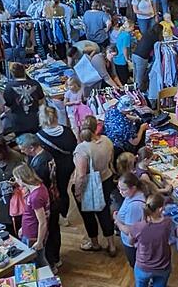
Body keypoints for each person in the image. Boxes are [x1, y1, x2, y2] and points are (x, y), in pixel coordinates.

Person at [116, 194, 173, 287]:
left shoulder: (139, 226)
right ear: (160, 209)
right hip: (163, 266)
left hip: (143, 267)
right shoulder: (167, 223)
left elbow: (130, 242)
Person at [70, 115, 117, 255]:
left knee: (88, 215)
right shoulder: (107, 141)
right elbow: (111, 161)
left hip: (89, 185)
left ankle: (95, 243)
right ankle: (111, 244)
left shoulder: (82, 149)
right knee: (104, 213)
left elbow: (81, 175)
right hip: (106, 179)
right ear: (96, 127)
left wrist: (78, 192)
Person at [36, 105, 77, 259]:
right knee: (63, 189)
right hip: (66, 166)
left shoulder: (39, 136)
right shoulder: (66, 131)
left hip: (50, 168)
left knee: (51, 191)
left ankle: (52, 213)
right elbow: (74, 147)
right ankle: (64, 215)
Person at [113, 172, 147, 287]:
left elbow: (129, 230)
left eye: (124, 189)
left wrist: (117, 220)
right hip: (132, 242)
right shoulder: (132, 196)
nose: (121, 192)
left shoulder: (135, 205)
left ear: (133, 188)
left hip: (131, 243)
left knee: (137, 268)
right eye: (119, 188)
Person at [13, 164, 50, 267]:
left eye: (16, 178)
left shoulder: (35, 197)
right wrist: (23, 228)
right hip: (29, 230)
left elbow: (42, 222)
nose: (16, 181)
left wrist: (39, 241)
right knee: (36, 259)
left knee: (38, 261)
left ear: (21, 178)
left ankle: (49, 279)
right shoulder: (40, 187)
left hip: (33, 234)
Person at [3, 63, 44, 135]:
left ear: (12, 73)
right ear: (25, 71)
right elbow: (41, 101)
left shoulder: (9, 87)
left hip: (18, 121)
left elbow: (7, 107)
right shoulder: (35, 83)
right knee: (36, 142)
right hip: (35, 119)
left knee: (22, 143)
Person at [133, 23, 162, 92]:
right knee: (140, 77)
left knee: (135, 75)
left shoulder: (147, 33)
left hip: (135, 54)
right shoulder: (155, 38)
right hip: (142, 57)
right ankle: (139, 93)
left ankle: (135, 89)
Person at [114, 20, 133, 84]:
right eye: (132, 27)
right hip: (121, 58)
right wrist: (127, 59)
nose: (133, 28)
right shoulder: (127, 35)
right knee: (124, 78)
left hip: (116, 57)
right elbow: (124, 48)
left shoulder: (121, 33)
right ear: (129, 27)